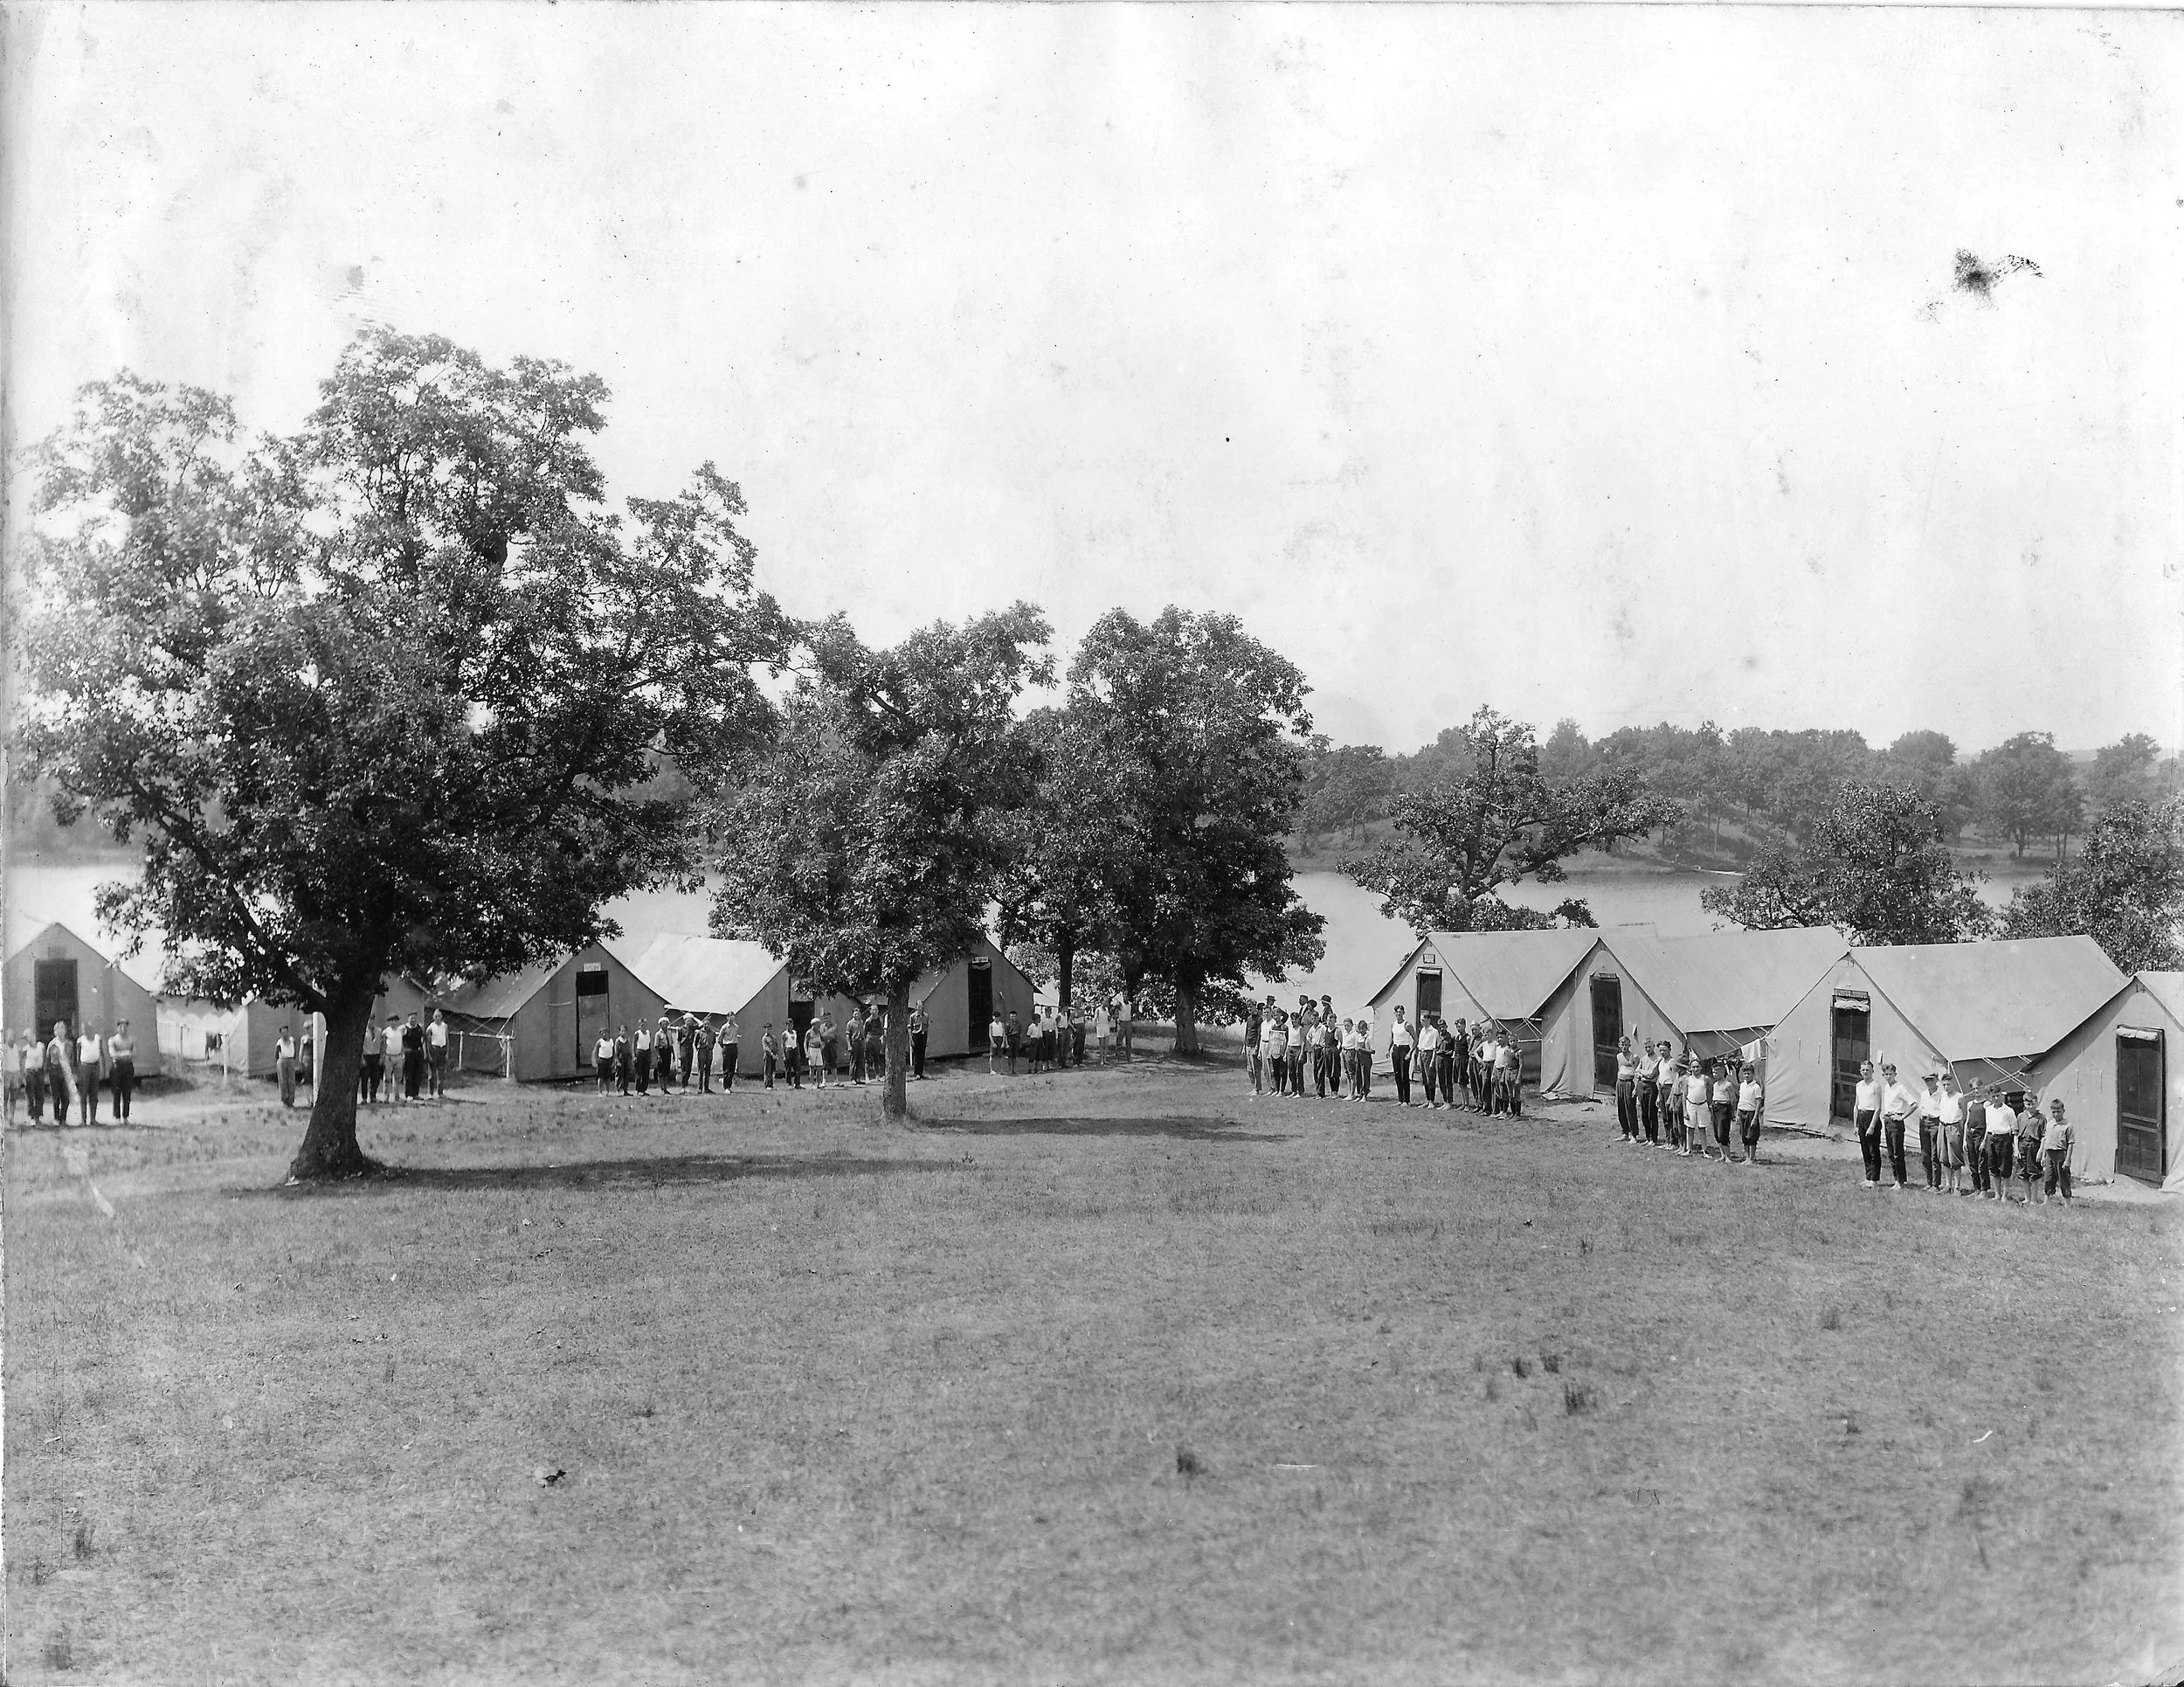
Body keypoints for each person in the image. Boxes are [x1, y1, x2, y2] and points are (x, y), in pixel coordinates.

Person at [1878, 1063, 1919, 1190]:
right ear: (1883, 1075)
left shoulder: (1900, 1088)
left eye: (1891, 1074)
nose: (1889, 1076)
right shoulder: (1886, 1087)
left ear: (1895, 1074)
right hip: (1887, 1120)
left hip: (1896, 1121)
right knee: (1890, 1152)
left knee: (1897, 1152)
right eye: (1886, 1074)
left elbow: (1914, 1104)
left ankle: (1900, 1181)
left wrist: (1902, 1117)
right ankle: (1898, 1179)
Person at [1935, 1072, 1967, 1194]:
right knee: (1944, 1157)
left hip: (1954, 1127)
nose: (1946, 1087)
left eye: (1948, 1084)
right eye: (1944, 1085)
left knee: (1955, 1158)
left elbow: (1964, 1115)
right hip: (1942, 1126)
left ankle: (1957, 1187)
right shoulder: (1942, 1096)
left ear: (1953, 1083)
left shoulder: (1959, 1097)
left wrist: (1959, 1129)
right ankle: (1948, 1185)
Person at [1852, 1061, 1883, 1186]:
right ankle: (1868, 1177)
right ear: (1860, 1071)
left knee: (1873, 1150)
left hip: (1872, 1117)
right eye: (1863, 1070)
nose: (1865, 1072)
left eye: (1868, 1070)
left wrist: (1871, 1126)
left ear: (1872, 1071)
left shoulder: (1875, 1085)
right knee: (1865, 1149)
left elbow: (1878, 1109)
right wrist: (1855, 1125)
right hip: (1861, 1116)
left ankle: (1874, 1179)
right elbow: (1856, 1106)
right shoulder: (1859, 1085)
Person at [1982, 1090, 2016, 1200]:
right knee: (1993, 1167)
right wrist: (1984, 1141)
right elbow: (1988, 1126)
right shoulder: (1988, 1110)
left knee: (2005, 1168)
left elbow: (2014, 1128)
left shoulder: (2009, 1111)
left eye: (1998, 1096)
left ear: (2002, 1096)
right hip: (1991, 1138)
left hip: (2004, 1139)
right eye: (1993, 1096)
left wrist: (2014, 1145)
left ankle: (2005, 1195)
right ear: (1990, 1097)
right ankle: (1997, 1194)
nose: (1996, 1098)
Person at [2042, 1099, 2075, 1205]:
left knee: (2063, 1179)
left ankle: (2067, 1203)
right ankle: (2047, 1201)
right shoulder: (2049, 1124)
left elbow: (2070, 1143)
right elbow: (2046, 1141)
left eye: (2058, 1111)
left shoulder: (2067, 1126)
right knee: (2048, 1178)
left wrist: (2068, 1159)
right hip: (2049, 1154)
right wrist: (2043, 1156)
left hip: (2061, 1154)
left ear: (2063, 1111)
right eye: (2053, 1112)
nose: (2056, 1114)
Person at [2015, 1097, 2046, 1205]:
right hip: (2022, 1144)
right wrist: (2016, 1149)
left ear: (2036, 1103)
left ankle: (2034, 1199)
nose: (2030, 1107)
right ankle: (2027, 1197)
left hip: (2034, 1145)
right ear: (2024, 1104)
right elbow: (2016, 1133)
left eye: (2032, 1104)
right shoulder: (2021, 1116)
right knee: (2022, 1172)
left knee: (2035, 1172)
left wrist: (2041, 1151)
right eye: (2028, 1104)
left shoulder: (2041, 1118)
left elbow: (2044, 1136)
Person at [107, 1019, 138, 1124]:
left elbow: (134, 1053)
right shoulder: (113, 1040)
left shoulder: (131, 1040)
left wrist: (122, 1054)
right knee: (116, 1093)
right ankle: (117, 1117)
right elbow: (113, 1054)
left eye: (125, 1026)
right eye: (121, 1026)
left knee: (127, 1093)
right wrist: (126, 1054)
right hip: (117, 1068)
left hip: (128, 1068)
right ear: (117, 1028)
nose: (123, 1029)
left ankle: (125, 1117)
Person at [75, 1021, 105, 1124]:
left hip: (95, 1067)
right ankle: (83, 1120)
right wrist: (78, 1072)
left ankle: (93, 1119)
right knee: (83, 1094)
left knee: (94, 1094)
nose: (86, 1031)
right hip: (84, 1067)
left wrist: (102, 1069)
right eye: (84, 1029)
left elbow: (101, 1054)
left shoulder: (98, 1039)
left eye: (88, 1028)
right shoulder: (80, 1041)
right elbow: (77, 1057)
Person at [1681, 1059, 1711, 1158]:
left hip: (1702, 1105)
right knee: (1690, 1128)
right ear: (1690, 1068)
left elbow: (1710, 1091)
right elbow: (1684, 1095)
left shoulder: (1705, 1079)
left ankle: (1704, 1150)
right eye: (1693, 1067)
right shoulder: (1688, 1080)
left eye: (1697, 1066)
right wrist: (1685, 1110)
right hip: (1691, 1105)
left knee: (1702, 1128)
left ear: (1701, 1067)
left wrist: (1709, 1104)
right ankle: (1689, 1149)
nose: (1696, 1069)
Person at [1737, 1064, 1764, 1164]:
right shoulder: (1742, 1085)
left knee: (1751, 1136)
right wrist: (1737, 1114)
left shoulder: (1756, 1087)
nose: (1747, 1076)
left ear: (1753, 1074)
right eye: (1745, 1074)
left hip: (1751, 1112)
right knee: (1744, 1136)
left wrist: (1755, 1118)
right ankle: (1747, 1157)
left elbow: (1758, 1103)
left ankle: (1751, 1159)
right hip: (1742, 1111)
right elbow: (1740, 1100)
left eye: (1749, 1074)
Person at [1387, 1005, 1413, 1106]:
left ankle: (1406, 1101)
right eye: (1397, 1012)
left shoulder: (1407, 1025)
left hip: (1404, 1049)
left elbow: (1415, 1039)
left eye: (1400, 1012)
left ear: (1403, 1013)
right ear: (1394, 1013)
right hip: (1396, 1049)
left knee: (1404, 1075)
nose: (1398, 1014)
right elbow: (1392, 1038)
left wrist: (1410, 1052)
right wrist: (1388, 1049)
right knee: (1397, 1075)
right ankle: (1400, 1099)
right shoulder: (1393, 1025)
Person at [1614, 1037, 1640, 1143]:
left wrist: (1636, 1089)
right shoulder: (1619, 1056)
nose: (1624, 1047)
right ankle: (1625, 1133)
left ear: (1630, 1045)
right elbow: (1619, 1070)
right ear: (1619, 1045)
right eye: (1622, 1044)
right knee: (1621, 1109)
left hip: (1629, 1083)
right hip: (1620, 1083)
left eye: (1626, 1045)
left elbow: (1638, 1074)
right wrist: (1617, 1088)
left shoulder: (1634, 1057)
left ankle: (1634, 1135)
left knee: (1630, 1109)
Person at [1414, 1012, 1441, 1108]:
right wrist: (1418, 1058)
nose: (1422, 1022)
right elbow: (1420, 1046)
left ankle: (1432, 1101)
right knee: (1424, 1079)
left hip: (1429, 1054)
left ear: (1428, 1020)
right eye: (1421, 1020)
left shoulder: (1434, 1031)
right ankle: (1427, 1099)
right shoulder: (1422, 1031)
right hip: (1422, 1053)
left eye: (1423, 1020)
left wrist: (1433, 1060)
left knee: (1431, 1078)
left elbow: (1435, 1047)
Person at [1636, 1040, 1660, 1144]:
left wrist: (1641, 1072)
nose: (1647, 1049)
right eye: (1645, 1047)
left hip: (1651, 1086)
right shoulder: (1643, 1059)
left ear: (1653, 1047)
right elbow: (1636, 1072)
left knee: (1652, 1112)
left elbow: (1651, 1074)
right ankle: (1647, 1137)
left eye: (1649, 1047)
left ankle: (1653, 1138)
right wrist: (1641, 1073)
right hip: (1642, 1085)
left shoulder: (1657, 1059)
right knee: (1644, 1112)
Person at [400, 1013, 425, 1102]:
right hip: (408, 1053)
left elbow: (423, 1040)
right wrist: (402, 1053)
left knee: (417, 1074)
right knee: (409, 1074)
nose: (413, 1020)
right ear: (408, 1019)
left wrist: (423, 1052)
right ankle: (408, 1094)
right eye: (411, 1018)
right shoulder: (404, 1028)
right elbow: (400, 1041)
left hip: (418, 1053)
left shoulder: (419, 1028)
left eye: (414, 1018)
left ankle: (416, 1094)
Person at [1264, 1010, 1289, 1097]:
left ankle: (1282, 1091)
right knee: (1275, 1072)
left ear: (1281, 1015)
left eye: (1277, 1015)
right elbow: (1270, 1040)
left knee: (1283, 1072)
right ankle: (1277, 1089)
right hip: (1274, 1052)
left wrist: (1285, 1053)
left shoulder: (1284, 1027)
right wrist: (1269, 1052)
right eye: (1274, 1015)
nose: (1276, 1017)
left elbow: (1287, 1041)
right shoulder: (1272, 1027)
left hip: (1281, 1052)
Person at [425, 1008, 450, 1100]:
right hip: (434, 1049)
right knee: (432, 1074)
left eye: (439, 1016)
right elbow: (427, 1042)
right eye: (435, 1016)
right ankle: (430, 1093)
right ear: (433, 1017)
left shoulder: (445, 1026)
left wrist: (447, 1052)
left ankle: (440, 1093)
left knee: (441, 1073)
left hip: (442, 1049)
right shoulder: (430, 1027)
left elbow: (447, 1039)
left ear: (441, 1017)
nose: (437, 1018)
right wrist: (429, 1054)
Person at [1496, 1034, 1523, 1118]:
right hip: (1508, 1072)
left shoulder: (1519, 1052)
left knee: (1516, 1094)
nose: (1512, 1043)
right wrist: (1503, 1076)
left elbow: (1521, 1065)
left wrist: (1518, 1077)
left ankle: (1518, 1114)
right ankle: (1513, 1113)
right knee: (1510, 1094)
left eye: (1514, 1041)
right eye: (1511, 1041)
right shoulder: (1507, 1050)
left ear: (1517, 1041)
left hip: (1515, 1072)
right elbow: (1506, 1064)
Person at [381, 1016, 406, 1103]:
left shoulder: (400, 1031)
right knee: (388, 1078)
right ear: (389, 1022)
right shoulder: (386, 1032)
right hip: (389, 1057)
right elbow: (383, 1045)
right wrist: (383, 1056)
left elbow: (401, 1043)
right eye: (392, 1021)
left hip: (398, 1056)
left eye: (395, 1021)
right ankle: (386, 1097)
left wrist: (403, 1055)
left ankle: (397, 1096)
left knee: (398, 1078)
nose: (394, 1023)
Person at [361, 1020, 386, 1105]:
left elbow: (383, 1044)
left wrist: (382, 1057)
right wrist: (362, 1059)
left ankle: (373, 1096)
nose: (370, 1022)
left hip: (376, 1056)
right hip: (366, 1056)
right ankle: (364, 1098)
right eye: (368, 1020)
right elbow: (359, 1046)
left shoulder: (379, 1031)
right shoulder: (363, 1031)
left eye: (371, 1020)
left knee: (375, 1078)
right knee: (364, 1078)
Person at [24, 1029, 47, 1124]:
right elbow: (21, 1061)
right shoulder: (25, 1048)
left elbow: (45, 1058)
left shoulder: (41, 1046)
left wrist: (44, 1070)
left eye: (28, 1036)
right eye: (26, 1038)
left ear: (33, 1036)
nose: (27, 1039)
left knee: (40, 1095)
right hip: (30, 1072)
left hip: (39, 1072)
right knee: (30, 1095)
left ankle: (38, 1116)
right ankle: (32, 1117)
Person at [1244, 999, 1264, 1095]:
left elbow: (1259, 1034)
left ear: (1255, 1007)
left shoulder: (1259, 1019)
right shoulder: (1249, 1019)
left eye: (1251, 1007)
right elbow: (1247, 1032)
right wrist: (1244, 1046)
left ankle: (1257, 1089)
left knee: (1255, 1068)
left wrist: (1257, 1047)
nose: (1249, 1009)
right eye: (1248, 1007)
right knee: (1249, 1069)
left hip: (1254, 1045)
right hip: (1248, 1045)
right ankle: (1253, 1087)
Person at [694, 1018, 715, 1095]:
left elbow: (714, 1042)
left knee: (708, 1070)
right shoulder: (699, 1032)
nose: (707, 1025)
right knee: (701, 1070)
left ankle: (706, 1088)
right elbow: (695, 1042)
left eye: (708, 1024)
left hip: (709, 1051)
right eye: (705, 1024)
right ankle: (700, 1088)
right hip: (701, 1051)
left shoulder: (712, 1033)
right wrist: (699, 1049)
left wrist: (710, 1048)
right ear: (703, 1024)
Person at [847, 1008, 868, 1086]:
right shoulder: (850, 1023)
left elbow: (863, 1033)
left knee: (861, 1061)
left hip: (861, 1041)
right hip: (854, 1042)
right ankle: (852, 1079)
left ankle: (858, 1078)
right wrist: (849, 1045)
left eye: (858, 1014)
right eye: (855, 1014)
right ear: (853, 1015)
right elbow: (848, 1034)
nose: (857, 1015)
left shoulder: (861, 1022)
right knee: (853, 1061)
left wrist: (864, 1044)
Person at [720, 1013, 741, 1091]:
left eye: (733, 1019)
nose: (732, 1020)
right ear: (727, 1018)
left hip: (734, 1046)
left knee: (732, 1067)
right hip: (727, 1046)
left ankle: (729, 1085)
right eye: (730, 1019)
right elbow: (719, 1039)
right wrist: (724, 1047)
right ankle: (726, 1087)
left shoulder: (736, 1027)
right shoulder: (724, 1027)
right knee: (726, 1068)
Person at [632, 1020, 653, 1095]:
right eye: (642, 1025)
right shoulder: (637, 1034)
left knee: (646, 1072)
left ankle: (644, 1089)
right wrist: (634, 1056)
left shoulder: (648, 1033)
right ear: (639, 1026)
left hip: (646, 1052)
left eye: (644, 1025)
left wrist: (650, 1056)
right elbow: (633, 1045)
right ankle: (638, 1090)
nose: (643, 1027)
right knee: (639, 1072)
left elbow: (649, 1044)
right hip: (639, 1052)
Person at [805, 1017, 826, 1089]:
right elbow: (805, 1043)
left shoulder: (819, 1032)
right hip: (812, 1049)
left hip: (818, 1050)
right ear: (814, 1024)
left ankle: (818, 1083)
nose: (819, 1026)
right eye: (818, 1024)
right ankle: (813, 1084)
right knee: (812, 1067)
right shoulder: (809, 1032)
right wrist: (807, 1053)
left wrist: (821, 1047)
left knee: (819, 1067)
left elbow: (821, 1040)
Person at [910, 1005, 930, 1078]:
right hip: (916, 1036)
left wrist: (927, 1039)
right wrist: (911, 1040)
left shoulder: (926, 1016)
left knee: (922, 1055)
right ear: (916, 1007)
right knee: (917, 1055)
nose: (920, 1008)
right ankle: (916, 1073)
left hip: (923, 1035)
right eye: (919, 1007)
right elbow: (910, 1029)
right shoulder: (913, 1016)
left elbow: (927, 1027)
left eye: (921, 1007)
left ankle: (921, 1073)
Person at [594, 1028, 617, 1093]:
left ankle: (607, 1092)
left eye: (605, 1033)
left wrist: (613, 1061)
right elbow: (595, 1051)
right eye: (602, 1034)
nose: (604, 1034)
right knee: (601, 1077)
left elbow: (614, 1052)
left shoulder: (611, 1041)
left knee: (608, 1078)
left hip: (609, 1060)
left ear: (608, 1033)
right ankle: (600, 1092)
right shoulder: (600, 1042)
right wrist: (596, 1061)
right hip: (602, 1060)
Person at [615, 1025, 633, 1095]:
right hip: (620, 1058)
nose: (624, 1033)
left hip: (627, 1058)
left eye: (625, 1031)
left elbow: (629, 1050)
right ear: (619, 1032)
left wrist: (631, 1059)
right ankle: (618, 1090)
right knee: (619, 1075)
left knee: (626, 1074)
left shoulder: (627, 1040)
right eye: (622, 1031)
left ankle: (625, 1090)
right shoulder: (618, 1040)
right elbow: (616, 1052)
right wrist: (617, 1061)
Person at [1115, 995, 1134, 1061]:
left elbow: (1133, 1011)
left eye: (1127, 997)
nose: (1125, 998)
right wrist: (1117, 1018)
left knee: (1129, 1041)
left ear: (1128, 997)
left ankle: (1128, 1057)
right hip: (1122, 1023)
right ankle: (1118, 1057)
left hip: (1128, 1023)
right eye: (1124, 997)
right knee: (1119, 1041)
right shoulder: (1120, 1004)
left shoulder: (1130, 1004)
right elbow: (1115, 1010)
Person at [988, 1009, 1006, 1075]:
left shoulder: (1002, 1024)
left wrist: (1003, 1042)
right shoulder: (991, 1025)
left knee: (1000, 1056)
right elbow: (990, 1034)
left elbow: (1004, 1033)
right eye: (995, 1017)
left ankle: (1001, 1070)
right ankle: (991, 1070)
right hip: (994, 1038)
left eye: (997, 1017)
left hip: (1000, 1038)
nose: (996, 1018)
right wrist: (993, 1042)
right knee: (992, 1055)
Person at [761, 1023, 778, 1089]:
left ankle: (771, 1084)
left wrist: (776, 1054)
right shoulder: (764, 1038)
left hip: (774, 1055)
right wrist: (771, 1054)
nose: (769, 1030)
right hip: (768, 1056)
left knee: (772, 1070)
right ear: (765, 1030)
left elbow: (776, 1045)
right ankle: (767, 1085)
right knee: (767, 1070)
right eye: (767, 1029)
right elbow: (766, 1048)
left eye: (770, 1029)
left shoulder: (773, 1037)